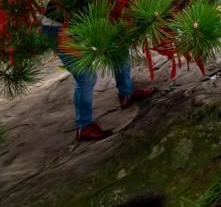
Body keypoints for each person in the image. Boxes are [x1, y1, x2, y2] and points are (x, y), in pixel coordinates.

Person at [40, 9, 156, 142]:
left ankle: (127, 93)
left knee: (120, 46)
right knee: (85, 76)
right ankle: (84, 127)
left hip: (85, 21)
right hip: (60, 29)